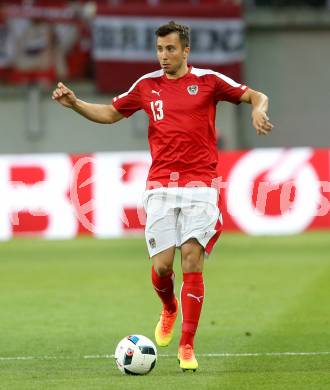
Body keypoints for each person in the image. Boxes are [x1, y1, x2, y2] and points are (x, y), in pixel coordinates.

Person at [52, 21, 273, 372]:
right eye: (159, 49)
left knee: (191, 258)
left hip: (201, 185)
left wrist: (258, 108)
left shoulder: (208, 81)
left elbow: (254, 95)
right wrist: (76, 103)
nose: (164, 56)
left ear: (186, 50)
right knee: (163, 266)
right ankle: (169, 307)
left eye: (171, 49)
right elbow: (110, 114)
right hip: (160, 187)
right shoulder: (146, 86)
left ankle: (187, 344)